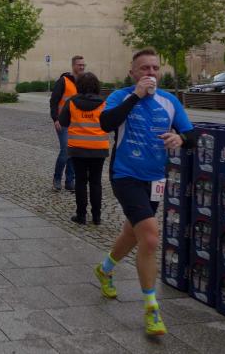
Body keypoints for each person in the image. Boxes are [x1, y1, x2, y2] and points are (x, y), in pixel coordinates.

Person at [93, 49, 196, 337]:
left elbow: (193, 135)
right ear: (133, 73)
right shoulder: (121, 96)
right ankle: (151, 308)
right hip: (125, 175)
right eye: (144, 68)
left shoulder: (169, 101)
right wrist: (136, 96)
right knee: (150, 237)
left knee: (133, 232)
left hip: (155, 179)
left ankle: (104, 269)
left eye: (155, 68)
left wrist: (180, 138)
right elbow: (105, 123)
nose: (151, 73)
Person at [57, 72, 108, 225]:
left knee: (80, 181)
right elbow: (108, 123)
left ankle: (81, 215)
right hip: (99, 148)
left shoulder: (71, 102)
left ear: (79, 86)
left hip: (78, 148)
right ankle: (96, 217)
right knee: (96, 182)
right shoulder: (104, 103)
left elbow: (63, 122)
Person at [48, 55, 85, 191]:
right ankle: (57, 179)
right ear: (73, 66)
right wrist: (55, 119)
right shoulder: (63, 81)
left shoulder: (83, 82)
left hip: (77, 123)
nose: (82, 67)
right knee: (65, 151)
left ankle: (70, 181)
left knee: (74, 152)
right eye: (79, 65)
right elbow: (54, 101)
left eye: (83, 65)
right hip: (62, 122)